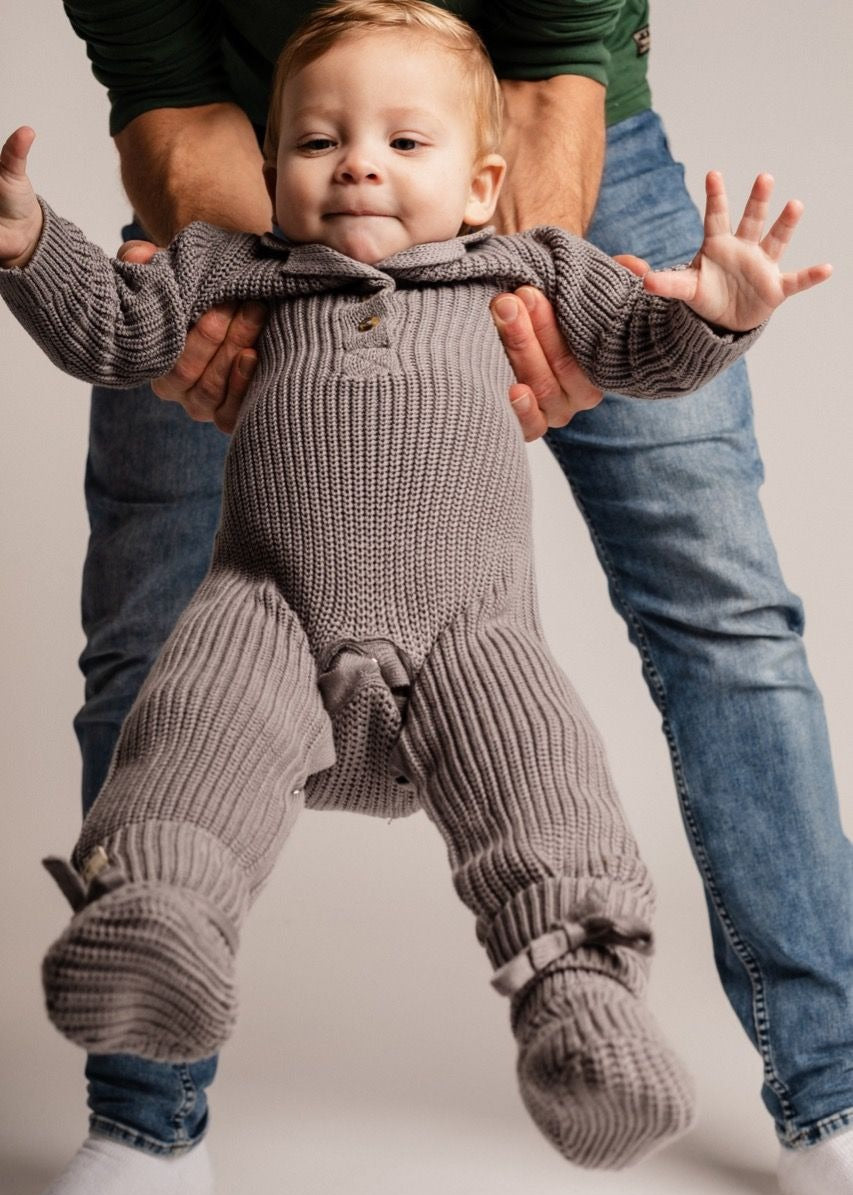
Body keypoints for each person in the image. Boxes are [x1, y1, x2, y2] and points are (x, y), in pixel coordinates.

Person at [11, 2, 851, 1195]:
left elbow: (637, 337)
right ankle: (152, 1003)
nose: (359, 161)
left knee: (595, 741)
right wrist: (30, 239)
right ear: (272, 167)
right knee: (170, 696)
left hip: (471, 638)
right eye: (322, 147)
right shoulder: (225, 259)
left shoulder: (527, 254)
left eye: (397, 145)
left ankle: (613, 1010)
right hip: (270, 608)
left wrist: (715, 313)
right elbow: (111, 315)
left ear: (483, 187)